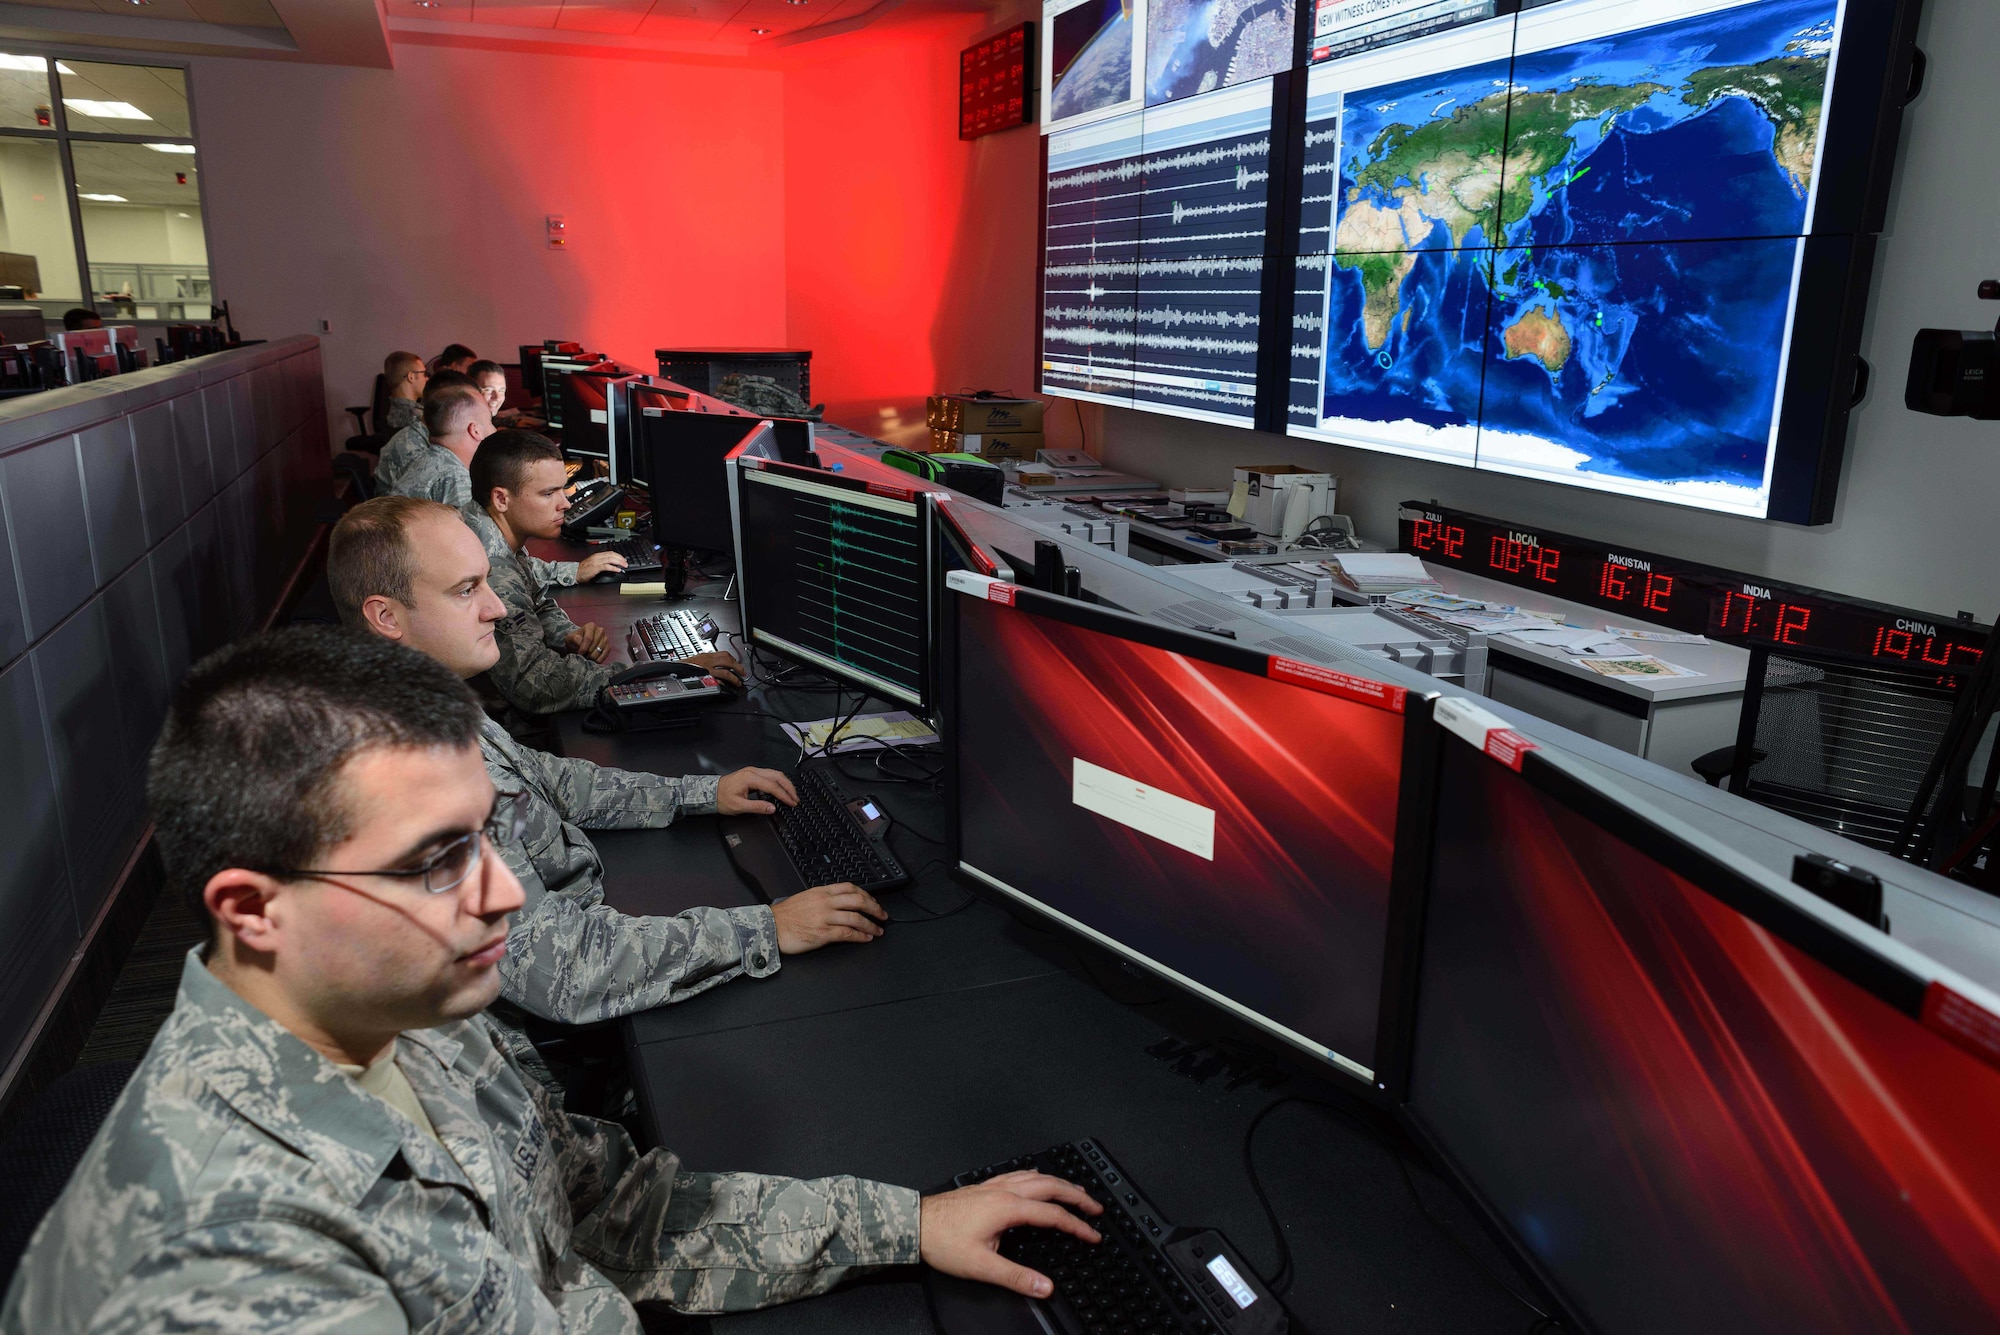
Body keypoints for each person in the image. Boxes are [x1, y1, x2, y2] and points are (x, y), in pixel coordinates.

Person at [0, 625, 1101, 1330]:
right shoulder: (223, 1273)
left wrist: (903, 1224)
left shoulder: (408, 1012)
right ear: (252, 910)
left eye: (486, 838)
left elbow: (610, 1211)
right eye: (435, 862)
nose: (506, 893)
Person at [327, 493, 813, 1042]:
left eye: (486, 582)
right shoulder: (408, 779)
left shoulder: (415, 697)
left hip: (566, 927)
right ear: (386, 616)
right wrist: (767, 929)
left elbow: (541, 778)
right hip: (538, 1041)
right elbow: (563, 970)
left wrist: (698, 793)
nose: (498, 608)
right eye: (466, 591)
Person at [467, 430, 742, 713]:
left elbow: (535, 602)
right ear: (501, 499)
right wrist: (668, 671)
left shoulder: (488, 529)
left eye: (563, 489)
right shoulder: (490, 567)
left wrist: (566, 635)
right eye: (548, 494)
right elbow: (538, 686)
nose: (566, 503)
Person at [381, 380, 490, 508]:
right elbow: (472, 528)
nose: (493, 429)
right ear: (475, 431)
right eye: (490, 421)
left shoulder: (430, 459)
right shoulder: (454, 477)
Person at [379, 349, 427, 435]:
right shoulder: (420, 417)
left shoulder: (390, 412)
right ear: (411, 377)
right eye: (424, 374)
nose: (427, 379)